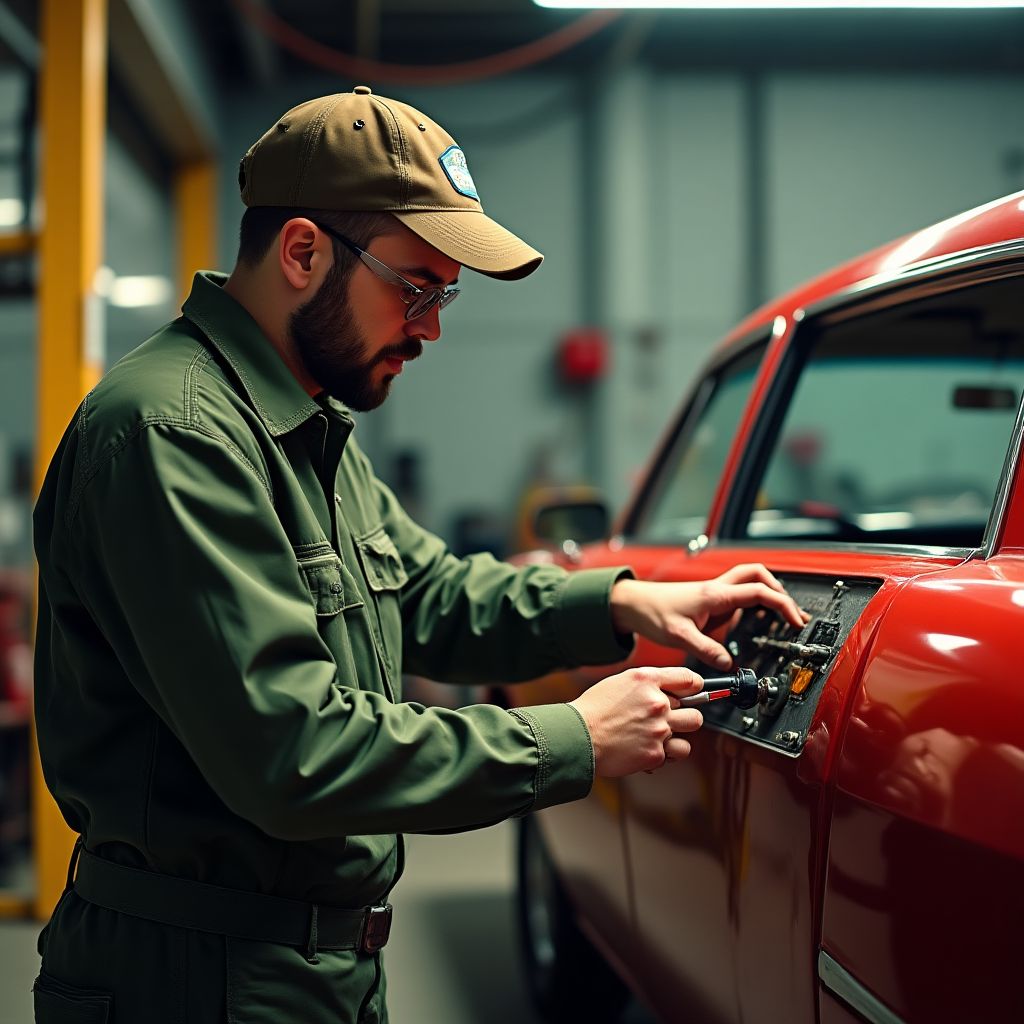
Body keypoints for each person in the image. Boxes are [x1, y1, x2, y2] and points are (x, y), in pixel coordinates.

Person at [32, 86, 806, 1023]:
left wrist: (619, 604)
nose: (432, 327)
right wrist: (573, 737)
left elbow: (429, 594)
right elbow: (291, 753)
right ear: (304, 251)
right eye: (416, 286)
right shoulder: (174, 432)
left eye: (447, 294)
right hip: (198, 980)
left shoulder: (307, 420)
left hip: (307, 964)